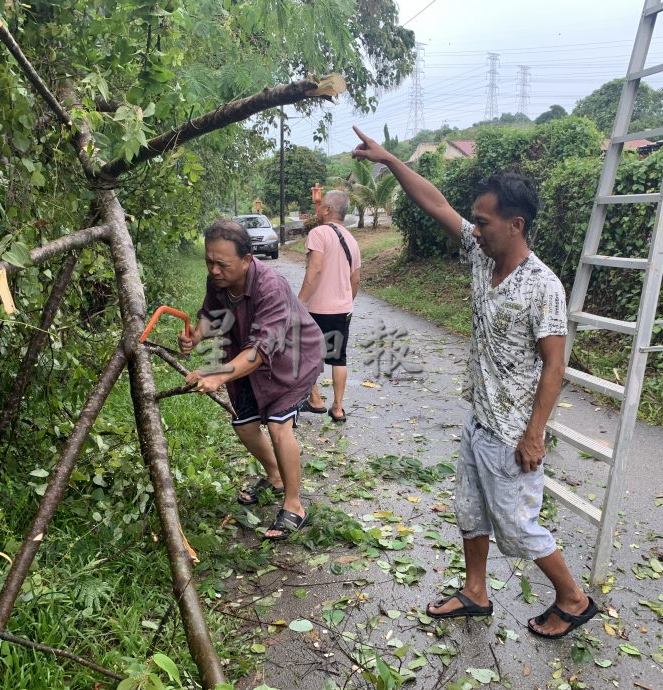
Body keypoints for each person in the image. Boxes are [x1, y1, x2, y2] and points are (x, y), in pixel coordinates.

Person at [352, 127, 597, 639]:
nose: (475, 228)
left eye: (484, 221)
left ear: (516, 224)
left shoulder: (542, 285)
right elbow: (435, 203)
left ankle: (574, 599)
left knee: (518, 526)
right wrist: (391, 159)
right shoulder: (485, 256)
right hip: (479, 420)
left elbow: (555, 365)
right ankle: (476, 592)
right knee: (470, 511)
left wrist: (535, 433)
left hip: (512, 434)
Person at [179, 220, 323, 540]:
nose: (214, 270)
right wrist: (196, 336)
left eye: (222, 264)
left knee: (277, 425)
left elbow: (259, 352)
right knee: (244, 425)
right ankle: (275, 477)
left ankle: (294, 504)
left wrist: (216, 374)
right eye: (209, 262)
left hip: (291, 359)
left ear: (246, 260)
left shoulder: (270, 285)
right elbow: (211, 314)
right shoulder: (218, 280)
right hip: (245, 356)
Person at [297, 189, 362, 424]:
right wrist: (345, 301)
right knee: (338, 357)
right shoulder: (353, 241)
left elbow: (313, 269)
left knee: (308, 354)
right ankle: (338, 408)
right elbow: (355, 280)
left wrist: (300, 300)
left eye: (321, 204)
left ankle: (315, 400)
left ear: (327, 210)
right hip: (342, 310)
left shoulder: (318, 233)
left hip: (317, 308)